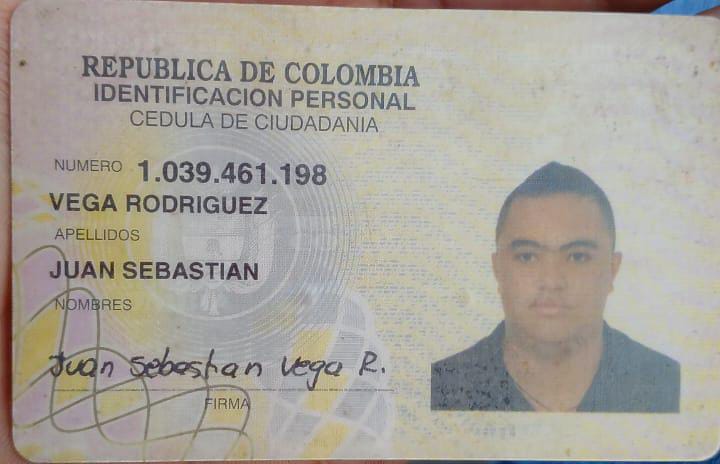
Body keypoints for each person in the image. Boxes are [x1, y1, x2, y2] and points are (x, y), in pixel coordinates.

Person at [431, 162, 680, 412]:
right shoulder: (443, 387)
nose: (551, 282)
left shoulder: (666, 385)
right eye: (527, 256)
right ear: (498, 269)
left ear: (612, 269)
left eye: (577, 257)